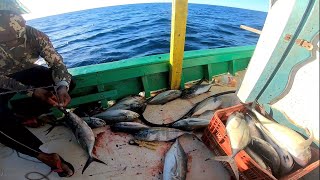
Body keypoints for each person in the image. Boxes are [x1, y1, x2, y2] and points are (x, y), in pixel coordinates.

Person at [0, 1, 74, 177]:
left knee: (67, 83)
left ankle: (25, 115)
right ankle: (42, 155)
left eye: (15, 38)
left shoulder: (35, 35)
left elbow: (57, 64)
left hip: (27, 70)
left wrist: (62, 87)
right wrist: (32, 91)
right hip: (2, 79)